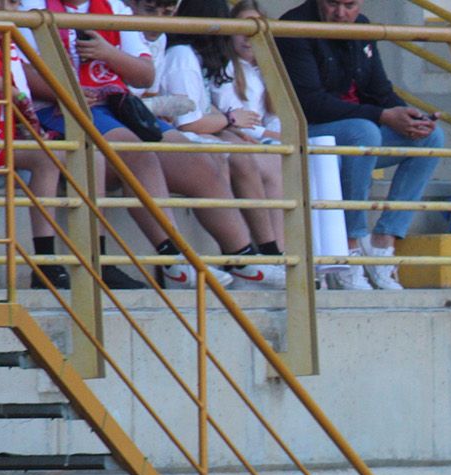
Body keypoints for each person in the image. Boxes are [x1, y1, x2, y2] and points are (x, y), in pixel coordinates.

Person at [20, 0, 272, 290]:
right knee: (139, 154)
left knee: (199, 160)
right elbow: (17, 68)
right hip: (57, 109)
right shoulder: (30, 5)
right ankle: (172, 260)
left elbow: (145, 73)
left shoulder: (112, 6)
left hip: (117, 106)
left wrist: (107, 53)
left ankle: (242, 258)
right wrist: (69, 92)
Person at [277, 0, 443, 291]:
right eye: (333, 4)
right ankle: (350, 247)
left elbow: (379, 90)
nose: (341, 14)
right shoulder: (293, 27)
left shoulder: (362, 26)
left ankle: (382, 244)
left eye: (349, 5)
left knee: (431, 137)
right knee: (364, 132)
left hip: (358, 128)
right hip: (309, 130)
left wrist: (410, 117)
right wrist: (381, 115)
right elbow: (310, 105)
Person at [160, 0, 285, 287]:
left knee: (248, 153)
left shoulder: (196, 56)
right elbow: (188, 123)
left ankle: (267, 253)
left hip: (198, 135)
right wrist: (229, 120)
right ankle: (251, 254)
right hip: (178, 141)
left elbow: (205, 116)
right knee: (239, 155)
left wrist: (226, 124)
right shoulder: (182, 56)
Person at [0, 0, 63, 289]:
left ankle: (49, 263)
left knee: (75, 156)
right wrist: (14, 93)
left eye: (15, 1)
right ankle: (46, 263)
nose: (12, 5)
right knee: (48, 156)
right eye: (4, 0)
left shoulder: (7, 40)